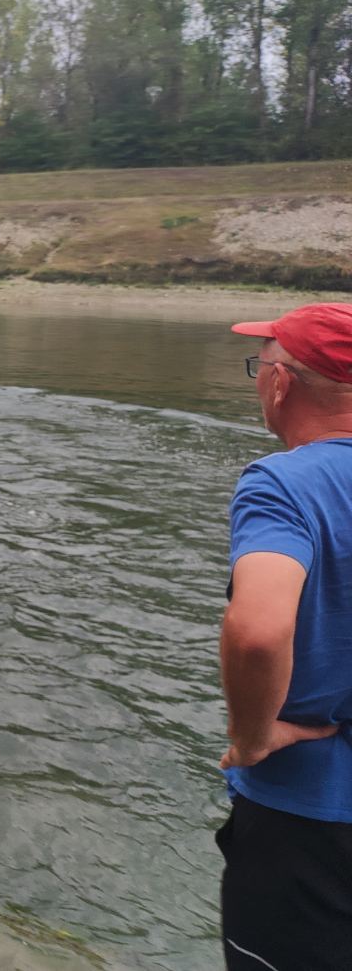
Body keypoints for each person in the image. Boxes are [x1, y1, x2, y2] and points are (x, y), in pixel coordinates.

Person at [215, 303, 352, 969]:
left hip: (309, 820)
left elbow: (259, 632)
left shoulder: (285, 484)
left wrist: (253, 735)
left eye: (259, 363)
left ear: (282, 381)